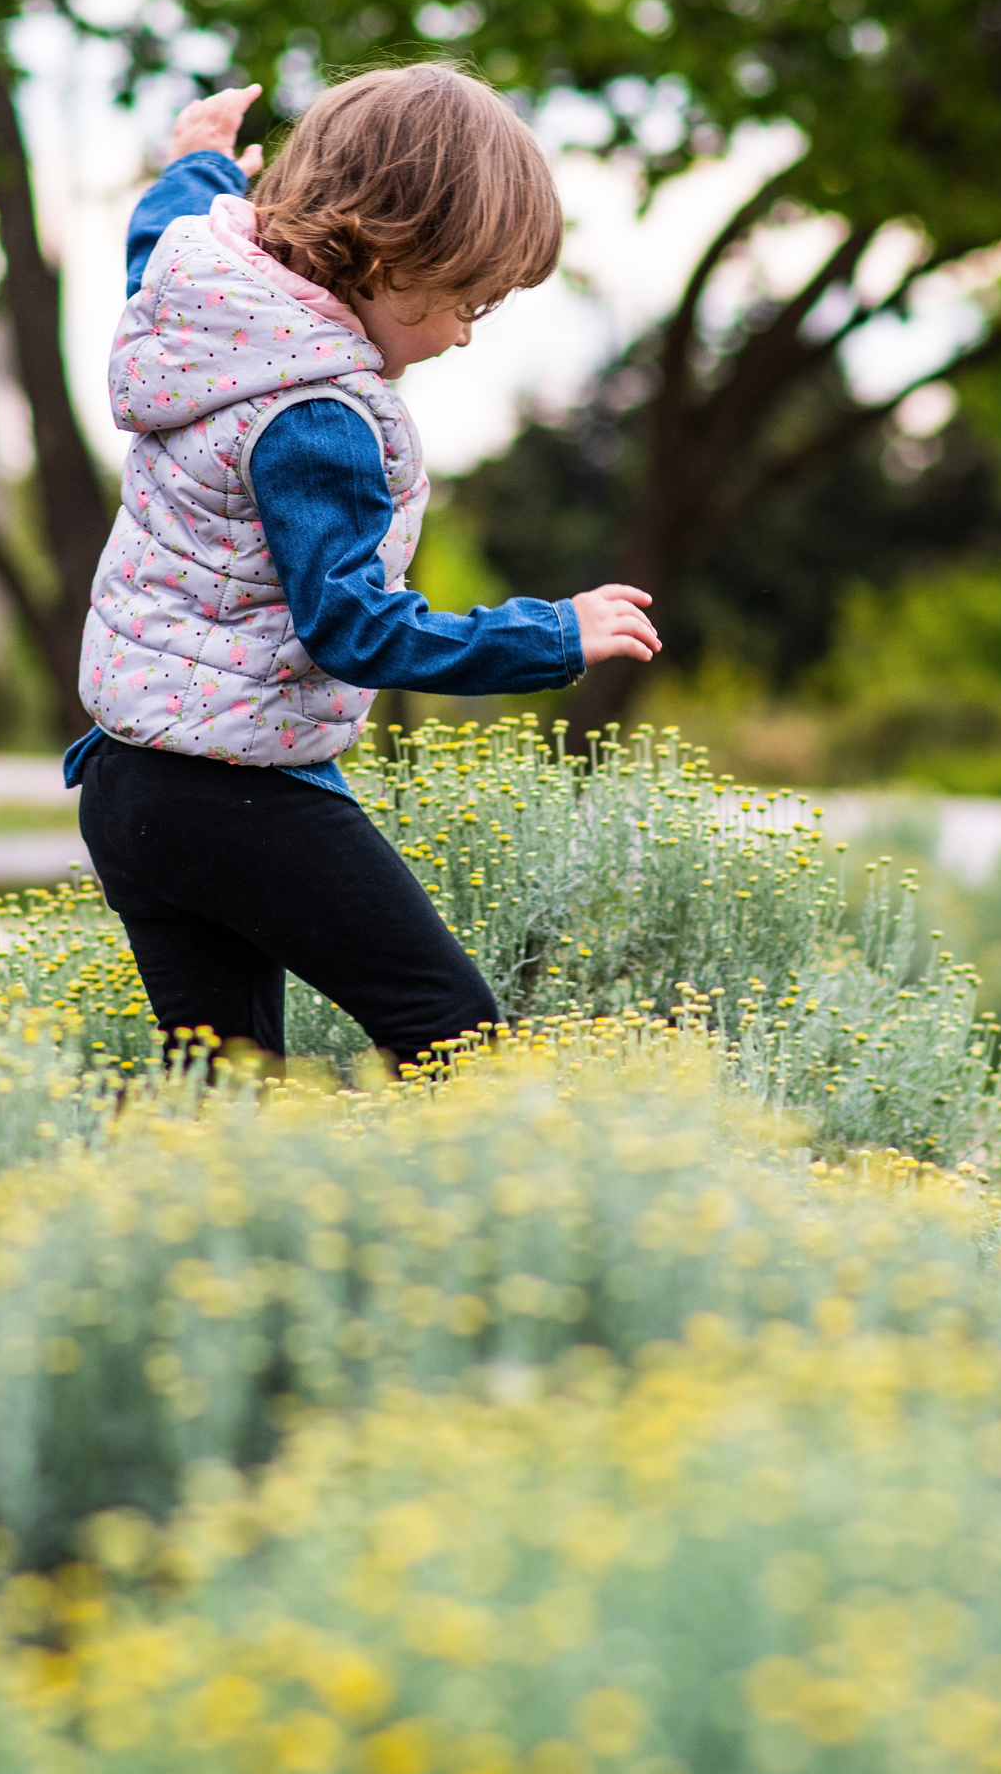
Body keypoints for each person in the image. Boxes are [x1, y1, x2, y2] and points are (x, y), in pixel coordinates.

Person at [68, 62, 660, 1069]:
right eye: (465, 301)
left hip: (130, 787)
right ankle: (494, 1225)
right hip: (236, 797)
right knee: (457, 1043)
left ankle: (161, 1229)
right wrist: (548, 634)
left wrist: (197, 163)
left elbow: (156, 239)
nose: (467, 335)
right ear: (385, 258)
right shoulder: (316, 418)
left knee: (215, 1093)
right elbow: (352, 627)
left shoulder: (201, 303)